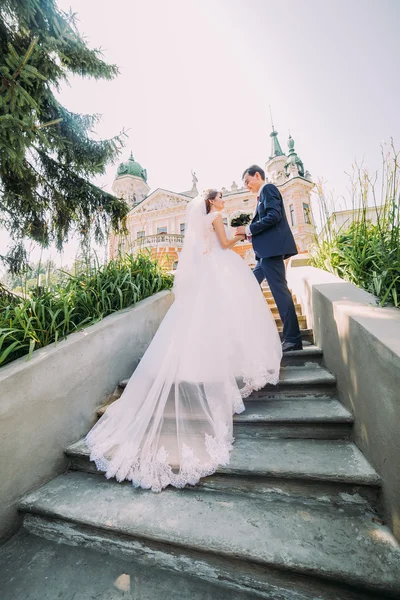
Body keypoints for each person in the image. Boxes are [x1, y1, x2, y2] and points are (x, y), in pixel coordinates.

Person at [85, 189, 282, 492]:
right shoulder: (215, 216)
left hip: (210, 268)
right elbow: (225, 242)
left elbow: (203, 247)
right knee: (230, 312)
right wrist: (241, 235)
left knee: (204, 318)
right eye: (220, 197)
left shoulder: (201, 221)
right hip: (223, 264)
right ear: (212, 202)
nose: (223, 200)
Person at [236, 165, 303, 352]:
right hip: (264, 255)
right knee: (247, 284)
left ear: (257, 175)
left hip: (271, 253)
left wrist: (249, 229)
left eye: (247, 181)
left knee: (280, 294)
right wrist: (248, 234)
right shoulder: (260, 197)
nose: (247, 186)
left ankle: (293, 339)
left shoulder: (268, 189)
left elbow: (274, 216)